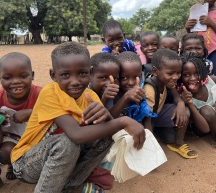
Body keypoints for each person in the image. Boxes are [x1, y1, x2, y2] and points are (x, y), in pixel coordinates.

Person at [11, 42, 146, 193]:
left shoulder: (90, 96)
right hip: (26, 164)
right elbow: (76, 136)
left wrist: (107, 114)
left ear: (90, 72)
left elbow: (103, 128)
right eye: (65, 75)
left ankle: (69, 187)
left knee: (106, 137)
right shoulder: (50, 93)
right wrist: (124, 121)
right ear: (53, 75)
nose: (75, 82)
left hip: (60, 164)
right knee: (68, 143)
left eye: (82, 73)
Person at [0, 52, 42, 180]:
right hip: (12, 138)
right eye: (7, 78)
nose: (16, 82)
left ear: (32, 75)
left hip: (38, 138)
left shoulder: (41, 94)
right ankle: (13, 165)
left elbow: (56, 113)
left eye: (23, 76)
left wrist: (31, 113)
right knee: (5, 152)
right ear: (0, 78)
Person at [144, 49, 198, 159]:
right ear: (155, 71)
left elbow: (176, 97)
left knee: (185, 111)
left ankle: (179, 142)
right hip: (147, 119)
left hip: (158, 114)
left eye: (178, 73)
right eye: (170, 73)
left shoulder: (167, 81)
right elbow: (147, 119)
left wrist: (181, 104)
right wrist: (150, 147)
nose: (176, 77)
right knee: (161, 139)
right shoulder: (149, 89)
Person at [109, 51, 146, 120]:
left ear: (140, 75)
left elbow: (146, 117)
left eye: (135, 77)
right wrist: (126, 97)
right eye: (124, 78)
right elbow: (109, 120)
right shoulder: (112, 92)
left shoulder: (140, 88)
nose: (131, 83)